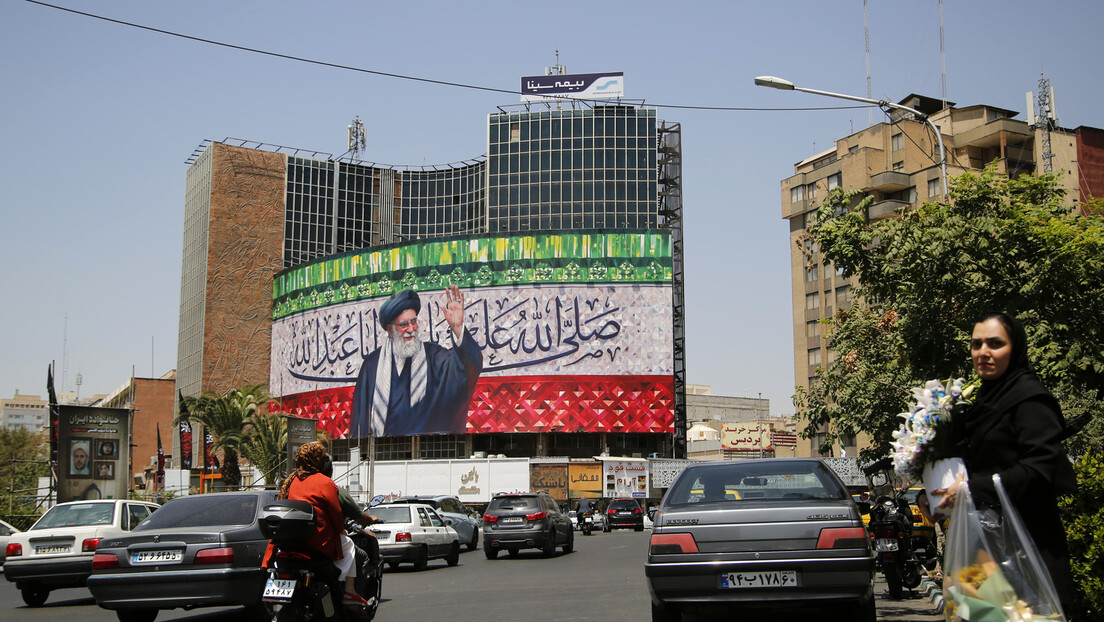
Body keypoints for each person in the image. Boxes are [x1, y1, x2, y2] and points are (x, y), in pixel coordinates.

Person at [934, 312, 1077, 610]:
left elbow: (1038, 471)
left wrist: (972, 489)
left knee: (1027, 617)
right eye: (976, 344)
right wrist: (934, 491)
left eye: (995, 343)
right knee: (977, 614)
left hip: (1028, 548)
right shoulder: (981, 403)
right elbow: (972, 465)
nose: (983, 352)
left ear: (1015, 348)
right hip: (983, 551)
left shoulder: (1031, 401)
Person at [351, 285, 483, 437]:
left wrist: (458, 328)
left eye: (413, 322)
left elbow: (468, 365)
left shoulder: (434, 356)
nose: (411, 329)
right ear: (389, 330)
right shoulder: (371, 365)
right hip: (383, 456)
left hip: (427, 455)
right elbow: (360, 424)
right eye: (403, 324)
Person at [270, 442, 364, 612]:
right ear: (319, 460)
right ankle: (348, 589)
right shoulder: (325, 482)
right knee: (349, 544)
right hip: (318, 541)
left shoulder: (289, 481)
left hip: (290, 543)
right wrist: (341, 530)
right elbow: (336, 517)